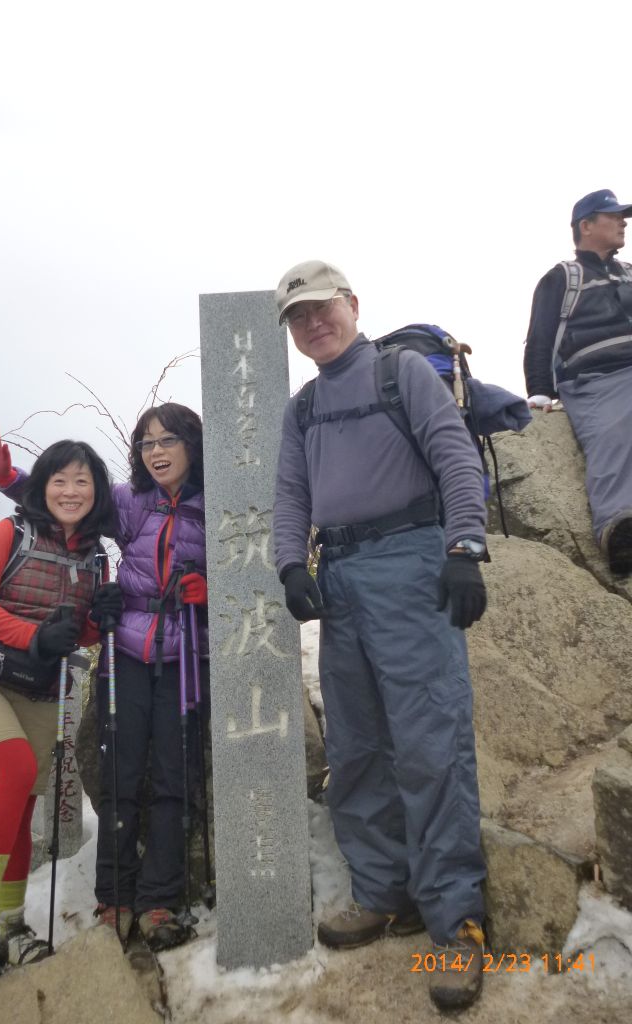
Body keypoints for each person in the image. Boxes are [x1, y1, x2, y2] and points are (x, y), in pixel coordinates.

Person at [272, 260, 488, 1012]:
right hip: (341, 576)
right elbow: (291, 491)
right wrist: (288, 564)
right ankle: (385, 890)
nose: (312, 324)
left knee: (431, 740)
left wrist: (464, 547)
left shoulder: (400, 374)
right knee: (358, 744)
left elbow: (455, 456)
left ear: (352, 305)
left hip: (410, 562)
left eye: (322, 308)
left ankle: (457, 916)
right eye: (298, 317)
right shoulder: (302, 409)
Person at [0, 404, 208, 952]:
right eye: (147, 443)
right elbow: (74, 503)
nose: (156, 452)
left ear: (192, 446)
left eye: (167, 441)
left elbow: (247, 562)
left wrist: (212, 589)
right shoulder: (131, 501)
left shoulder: (213, 505)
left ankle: (158, 900)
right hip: (125, 646)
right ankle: (115, 897)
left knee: (175, 777)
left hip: (187, 651)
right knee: (121, 773)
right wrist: (11, 478)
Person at [0, 440, 114, 978]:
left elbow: (75, 635)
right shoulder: (10, 533)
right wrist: (35, 636)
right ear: (41, 485)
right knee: (15, 769)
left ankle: (12, 925)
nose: (70, 491)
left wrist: (99, 621)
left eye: (82, 481)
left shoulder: (96, 557)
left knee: (19, 803)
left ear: (96, 491)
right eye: (60, 480)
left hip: (40, 687)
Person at [524, 189, 632, 573]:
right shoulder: (563, 277)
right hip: (595, 378)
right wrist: (539, 392)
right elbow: (540, 336)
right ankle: (620, 531)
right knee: (615, 430)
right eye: (613, 215)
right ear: (586, 226)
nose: (622, 222)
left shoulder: (629, 274)